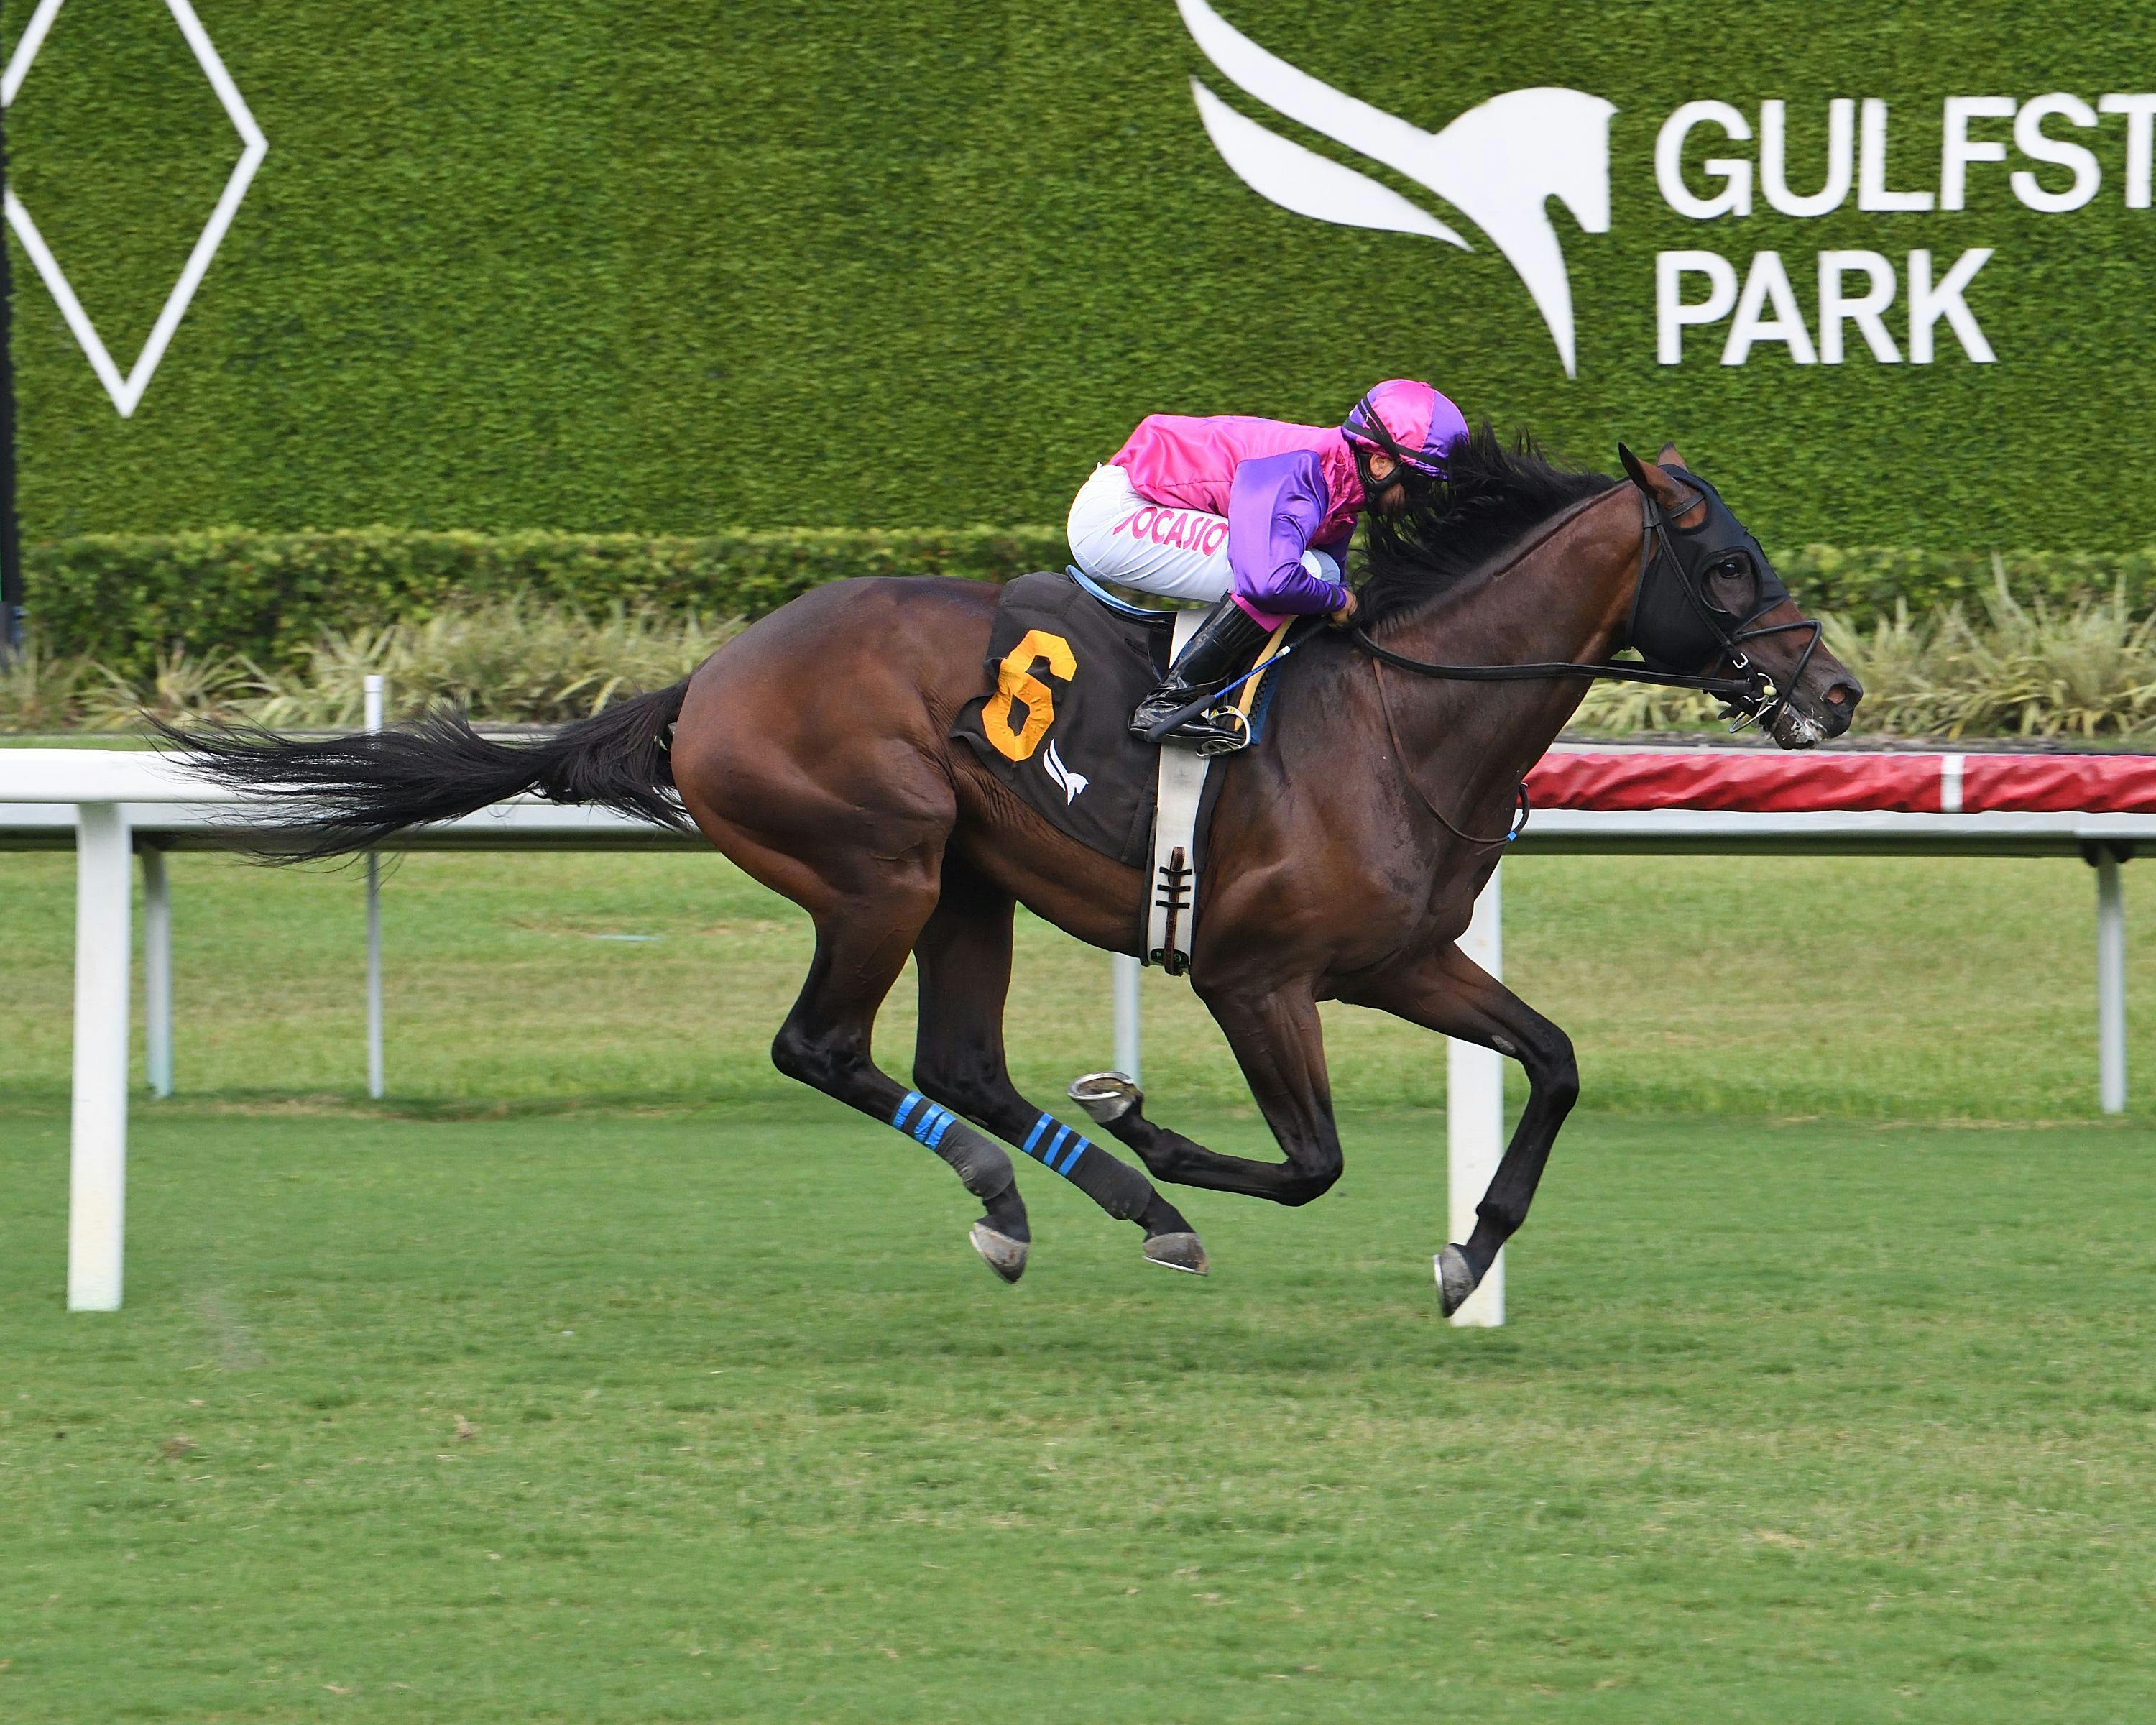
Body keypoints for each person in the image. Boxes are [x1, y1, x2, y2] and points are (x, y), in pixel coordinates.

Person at [1067, 380, 1468, 748]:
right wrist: (1338, 602)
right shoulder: (1306, 469)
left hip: (1142, 508)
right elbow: (1269, 582)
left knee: (1321, 574)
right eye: (1422, 485)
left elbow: (1333, 584)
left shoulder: (1343, 491)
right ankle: (1169, 703)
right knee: (1297, 573)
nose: (1423, 501)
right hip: (1116, 515)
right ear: (1381, 463)